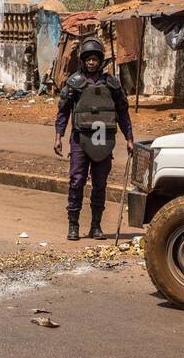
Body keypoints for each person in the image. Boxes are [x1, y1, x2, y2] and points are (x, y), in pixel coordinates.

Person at [55, 36, 134, 241]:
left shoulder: (112, 84)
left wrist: (129, 138)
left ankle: (96, 227)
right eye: (88, 59)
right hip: (80, 139)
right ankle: (73, 225)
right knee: (77, 181)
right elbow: (63, 111)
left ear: (101, 61)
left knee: (100, 184)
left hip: (104, 141)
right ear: (83, 60)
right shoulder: (74, 83)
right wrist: (59, 136)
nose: (91, 62)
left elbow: (123, 112)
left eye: (95, 59)